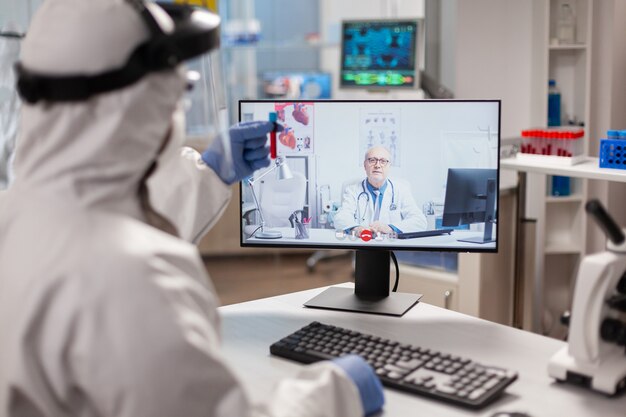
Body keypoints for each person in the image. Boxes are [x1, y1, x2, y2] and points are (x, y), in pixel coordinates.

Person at [0, 1, 384, 417]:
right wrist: (339, 391)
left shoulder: (17, 216)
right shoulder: (134, 280)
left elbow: (104, 223)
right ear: (142, 105)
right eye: (179, 92)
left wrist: (211, 173)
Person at [334, 145, 427, 236]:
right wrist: (357, 229)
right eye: (372, 160)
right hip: (362, 244)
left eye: (383, 161)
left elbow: (420, 221)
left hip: (393, 246)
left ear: (389, 166)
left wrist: (390, 228)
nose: (377, 165)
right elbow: (341, 218)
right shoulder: (352, 190)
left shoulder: (401, 190)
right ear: (365, 165)